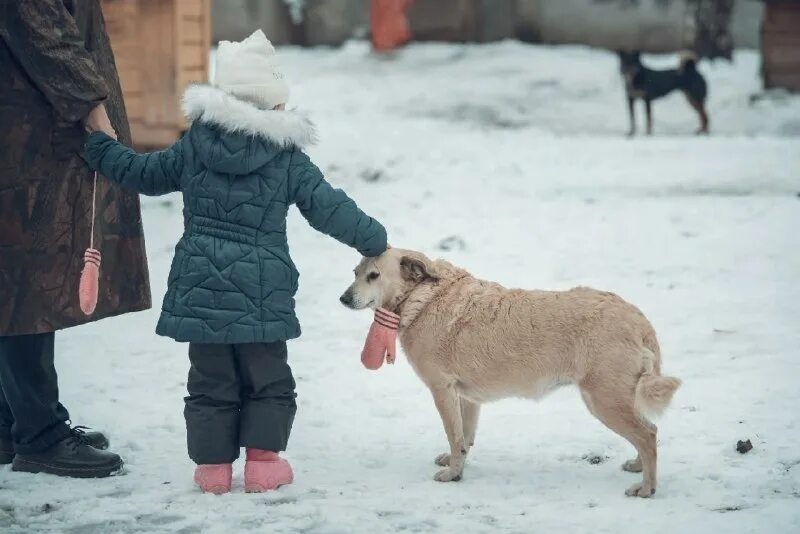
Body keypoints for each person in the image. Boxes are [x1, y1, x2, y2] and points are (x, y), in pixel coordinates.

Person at [83, 30, 389, 494]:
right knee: (268, 377)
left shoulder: (194, 147)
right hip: (263, 291)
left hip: (200, 287)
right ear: (275, 105)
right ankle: (264, 464)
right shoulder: (287, 159)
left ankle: (212, 471)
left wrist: (100, 147)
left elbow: (141, 174)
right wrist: (374, 239)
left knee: (209, 379)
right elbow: (330, 208)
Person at [0, 1, 150, 477]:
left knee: (17, 278)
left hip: (30, 122)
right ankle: (40, 433)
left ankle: (14, 422)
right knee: (27, 283)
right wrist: (90, 105)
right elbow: (39, 23)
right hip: (32, 128)